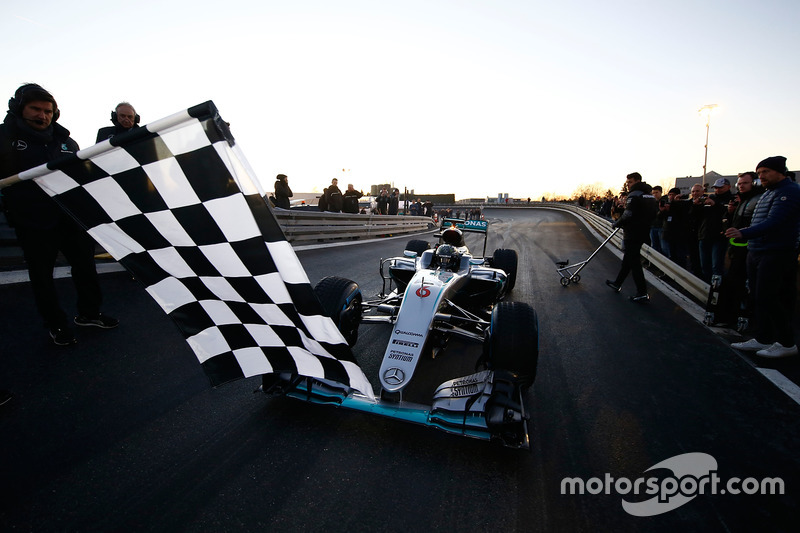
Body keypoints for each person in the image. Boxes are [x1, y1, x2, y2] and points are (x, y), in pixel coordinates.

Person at [0, 83, 118, 345]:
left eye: (48, 111)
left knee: (86, 267)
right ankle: (56, 324)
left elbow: (83, 173)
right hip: (32, 221)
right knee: (42, 276)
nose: (42, 116)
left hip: (71, 218)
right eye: (35, 109)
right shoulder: (4, 138)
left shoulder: (65, 139)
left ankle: (89, 313)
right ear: (20, 108)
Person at [727, 156, 800, 358]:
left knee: (769, 297)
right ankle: (763, 338)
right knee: (758, 297)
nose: (762, 176)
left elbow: (775, 222)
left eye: (765, 172)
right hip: (757, 251)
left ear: (780, 171)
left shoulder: (790, 191)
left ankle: (787, 343)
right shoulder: (769, 193)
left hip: (776, 252)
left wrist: (744, 233)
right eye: (759, 173)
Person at [605, 172, 658, 302]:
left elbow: (628, 214)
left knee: (634, 262)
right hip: (644, 231)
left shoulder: (634, 195)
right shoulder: (649, 195)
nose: (628, 185)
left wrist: (616, 223)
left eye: (630, 182)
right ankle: (617, 283)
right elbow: (654, 213)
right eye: (627, 182)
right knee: (628, 260)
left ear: (637, 181)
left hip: (632, 233)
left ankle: (642, 292)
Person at [696, 178, 734, 281]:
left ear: (728, 187)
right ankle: (706, 287)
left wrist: (715, 204)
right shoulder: (709, 197)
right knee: (705, 265)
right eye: (716, 188)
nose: (718, 190)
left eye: (720, 187)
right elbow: (697, 215)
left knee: (716, 265)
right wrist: (697, 204)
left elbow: (729, 214)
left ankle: (718, 290)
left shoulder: (732, 199)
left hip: (720, 236)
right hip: (704, 234)